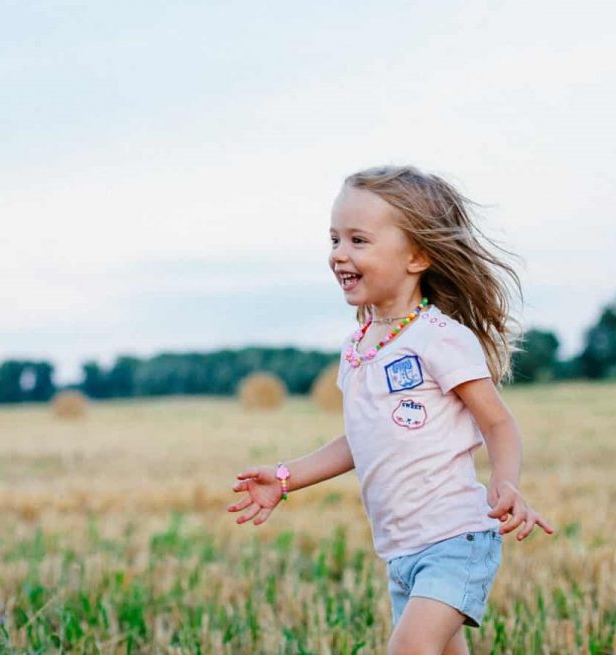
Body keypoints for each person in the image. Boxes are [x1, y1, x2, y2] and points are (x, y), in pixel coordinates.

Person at [226, 165, 554, 655]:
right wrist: (286, 476)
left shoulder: (441, 339)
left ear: (417, 255)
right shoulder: (358, 347)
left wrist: (505, 482)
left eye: (359, 240)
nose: (339, 254)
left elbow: (497, 421)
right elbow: (360, 439)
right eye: (334, 239)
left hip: (454, 539)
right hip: (401, 551)